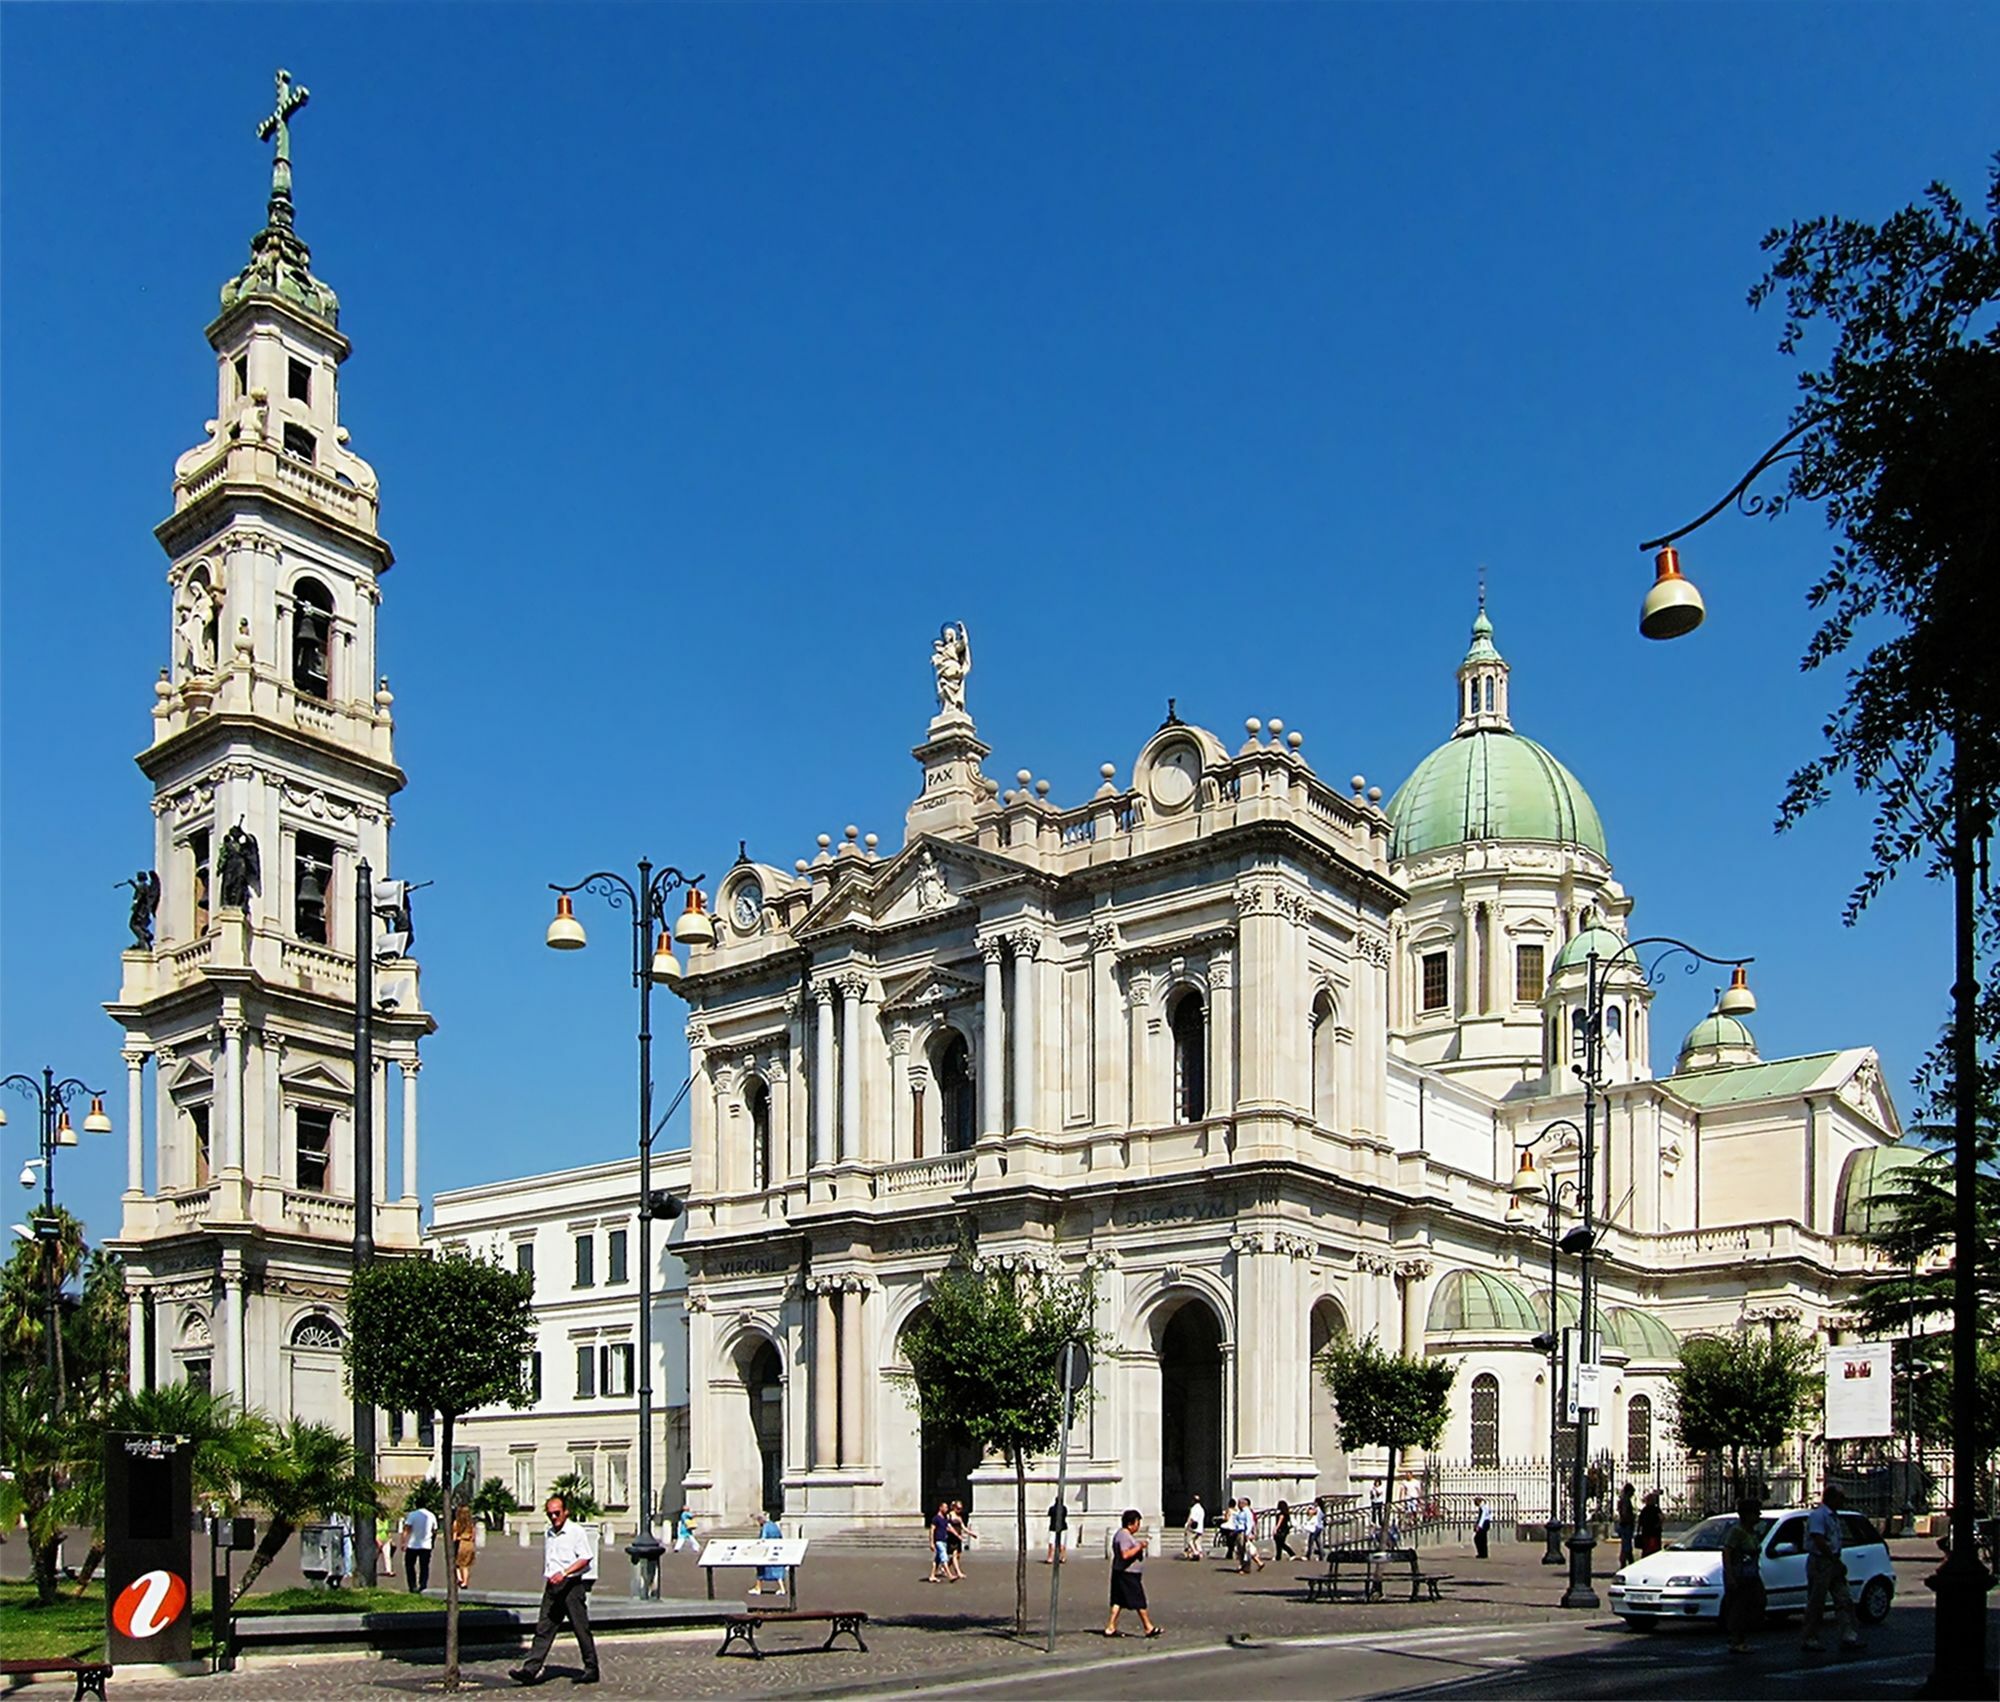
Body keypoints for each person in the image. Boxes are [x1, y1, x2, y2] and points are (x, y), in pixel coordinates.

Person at [510, 1494, 598, 1687]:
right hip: (552, 1586)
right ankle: (530, 1669)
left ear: (566, 1512)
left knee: (580, 1628)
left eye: (557, 1513)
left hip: (571, 1586)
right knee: (544, 1627)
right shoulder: (549, 1532)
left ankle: (591, 1668)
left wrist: (565, 1573)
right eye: (550, 1514)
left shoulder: (575, 1531)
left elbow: (585, 1557)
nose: (554, 1518)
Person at [1801, 1485, 1862, 1653]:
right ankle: (1810, 1637)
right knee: (1816, 1602)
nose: (1842, 1502)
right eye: (1840, 1498)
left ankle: (1848, 1635)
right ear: (1831, 1498)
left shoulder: (1834, 1517)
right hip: (1821, 1561)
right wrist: (1833, 1558)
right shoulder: (1818, 1515)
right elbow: (1818, 1539)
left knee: (1844, 1599)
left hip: (1833, 1560)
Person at [1102, 1509, 1159, 1639]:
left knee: (1118, 1600)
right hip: (1127, 1574)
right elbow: (1125, 1554)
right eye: (1137, 1523)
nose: (1138, 1526)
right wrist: (1139, 1546)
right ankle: (1148, 1627)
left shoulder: (1122, 1535)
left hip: (1121, 1572)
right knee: (1139, 1601)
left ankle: (1110, 1627)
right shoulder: (1124, 1536)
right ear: (1130, 1523)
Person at [1720, 1498, 1766, 1654]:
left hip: (1751, 1573)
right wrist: (1730, 1576)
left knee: (1756, 1603)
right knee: (1738, 1607)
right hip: (1740, 1574)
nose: (1758, 1516)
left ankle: (1741, 1637)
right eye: (1755, 1513)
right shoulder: (1737, 1532)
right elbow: (1727, 1552)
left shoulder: (1752, 1532)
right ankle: (1736, 1639)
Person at [399, 1501, 436, 1593]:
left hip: (413, 1544)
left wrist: (403, 1542)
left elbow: (407, 1529)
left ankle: (412, 1585)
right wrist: (432, 1541)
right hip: (426, 1545)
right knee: (424, 1566)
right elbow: (434, 1530)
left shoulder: (412, 1515)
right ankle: (423, 1585)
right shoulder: (431, 1515)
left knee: (409, 1565)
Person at [751, 1510, 785, 1597]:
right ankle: (782, 1588)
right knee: (777, 1569)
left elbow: (763, 1538)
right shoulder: (774, 1525)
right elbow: (780, 1536)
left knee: (761, 1569)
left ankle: (758, 1588)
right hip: (776, 1550)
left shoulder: (765, 1527)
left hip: (766, 1550)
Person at [926, 1500, 955, 1583]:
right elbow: (932, 1530)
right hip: (938, 1540)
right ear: (940, 1508)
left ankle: (932, 1576)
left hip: (944, 1540)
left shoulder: (945, 1518)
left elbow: (948, 1528)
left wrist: (957, 1535)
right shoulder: (936, 1518)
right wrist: (931, 1542)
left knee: (937, 1560)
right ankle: (949, 1575)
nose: (947, 1509)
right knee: (944, 1557)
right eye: (945, 1507)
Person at [1235, 1500, 1265, 1573]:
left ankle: (1246, 1567)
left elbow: (1249, 1523)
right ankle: (1244, 1565)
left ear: (1243, 1504)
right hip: (1239, 1531)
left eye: (1239, 1503)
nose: (1238, 1505)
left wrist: (1247, 1533)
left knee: (1245, 1550)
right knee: (1241, 1550)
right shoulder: (1241, 1512)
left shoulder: (1247, 1512)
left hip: (1243, 1532)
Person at [452, 1502, 477, 1590]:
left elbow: (454, 1537)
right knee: (466, 1565)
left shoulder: (456, 1523)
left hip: (461, 1544)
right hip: (469, 1544)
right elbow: (473, 1536)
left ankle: (461, 1580)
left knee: (458, 1564)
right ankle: (463, 1580)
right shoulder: (471, 1524)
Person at [1617, 1483, 1638, 1568]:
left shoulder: (1622, 1500)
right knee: (1626, 1546)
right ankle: (1626, 1563)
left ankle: (1629, 1562)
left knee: (1626, 1545)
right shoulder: (1626, 1500)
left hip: (1624, 1525)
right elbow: (1625, 1513)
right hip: (1626, 1525)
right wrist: (1631, 1517)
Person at [1638, 1488, 1664, 1557]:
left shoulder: (1645, 1510)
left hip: (1648, 1532)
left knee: (1647, 1549)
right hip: (1653, 1532)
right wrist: (1658, 1525)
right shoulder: (1655, 1509)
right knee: (1653, 1548)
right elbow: (1661, 1518)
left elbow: (1640, 1521)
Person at [1473, 1495, 1493, 1560]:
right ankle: (1484, 1553)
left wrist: (1479, 1526)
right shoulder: (1486, 1506)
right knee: (1483, 1539)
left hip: (1483, 1523)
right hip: (1487, 1522)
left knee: (1478, 1538)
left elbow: (1482, 1517)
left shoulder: (1482, 1508)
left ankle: (1481, 1553)